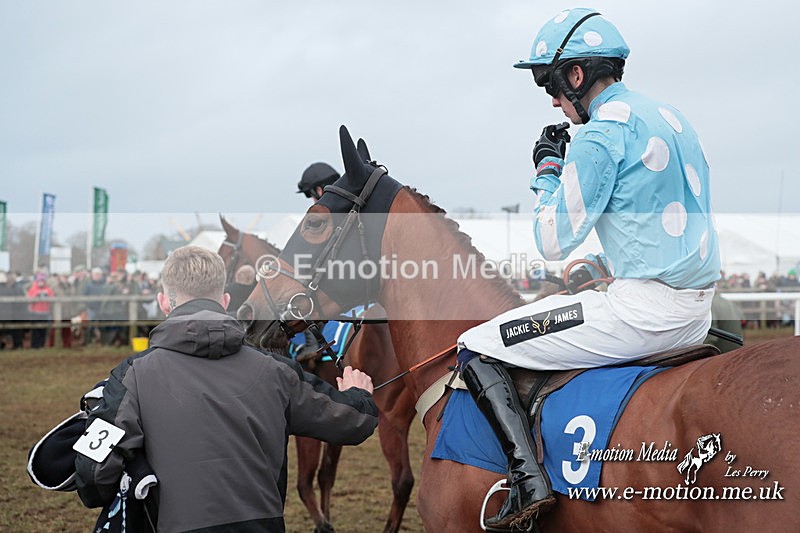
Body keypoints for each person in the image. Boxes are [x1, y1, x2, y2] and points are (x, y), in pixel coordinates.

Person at [456, 8, 721, 527]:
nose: (552, 100)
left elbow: (551, 240)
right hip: (696, 311)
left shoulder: (600, 135)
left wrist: (547, 170)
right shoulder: (670, 116)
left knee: (476, 345)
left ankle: (528, 484)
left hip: (643, 313)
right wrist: (604, 261)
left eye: (549, 85)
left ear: (575, 75)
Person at [74, 246, 378, 532]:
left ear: (164, 302)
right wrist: (360, 395)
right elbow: (353, 422)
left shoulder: (131, 376)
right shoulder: (277, 371)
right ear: (225, 301)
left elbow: (93, 476)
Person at [27, 272, 54, 348]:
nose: (41, 282)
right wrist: (36, 296)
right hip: (35, 313)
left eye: (43, 280)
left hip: (45, 312)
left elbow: (52, 299)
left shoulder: (48, 289)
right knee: (35, 330)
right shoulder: (33, 289)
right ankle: (34, 346)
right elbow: (29, 300)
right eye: (40, 280)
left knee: (43, 330)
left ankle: (41, 345)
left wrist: (47, 296)